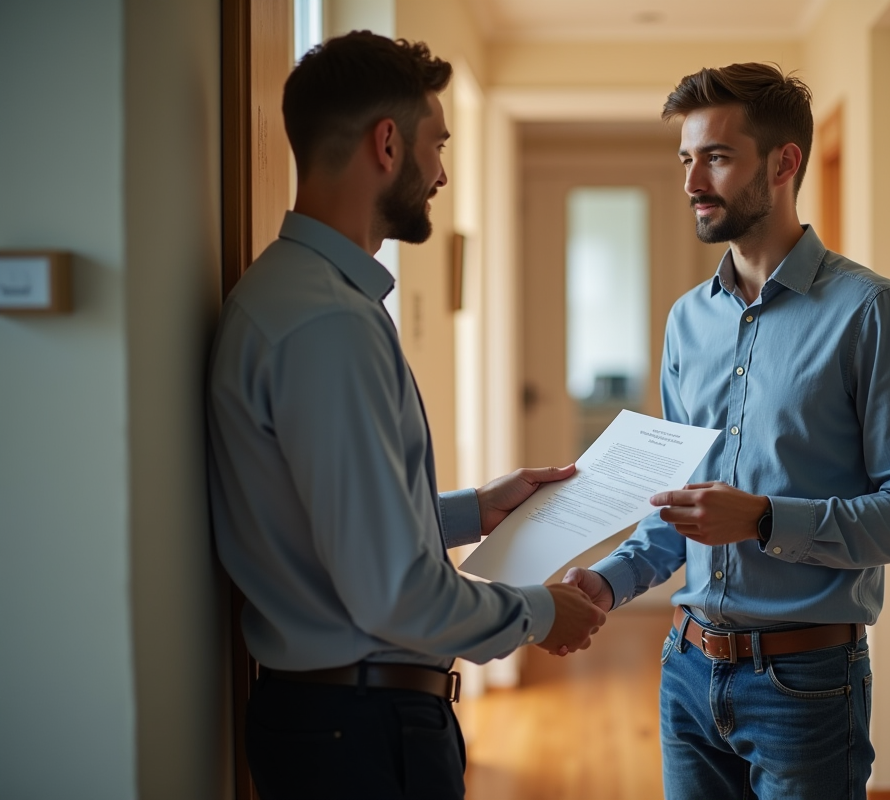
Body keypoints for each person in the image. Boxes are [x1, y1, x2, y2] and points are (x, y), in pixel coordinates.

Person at [206, 32, 605, 800]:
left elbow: (328, 529)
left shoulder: (300, 297)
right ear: (387, 144)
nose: (443, 172)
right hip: (359, 733)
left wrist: (474, 510)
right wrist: (537, 614)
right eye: (437, 144)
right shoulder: (326, 323)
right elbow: (393, 593)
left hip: (342, 720)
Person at [563, 63, 890, 799]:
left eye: (715, 156)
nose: (691, 182)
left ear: (784, 162)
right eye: (686, 159)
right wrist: (607, 584)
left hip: (805, 687)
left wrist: (767, 520)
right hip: (685, 671)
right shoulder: (687, 321)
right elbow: (675, 513)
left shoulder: (871, 313)